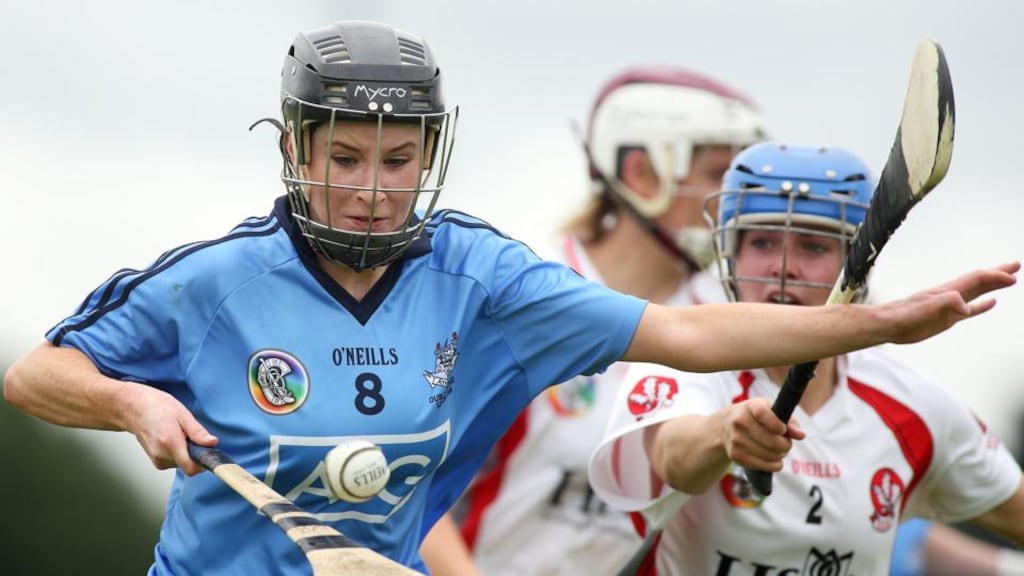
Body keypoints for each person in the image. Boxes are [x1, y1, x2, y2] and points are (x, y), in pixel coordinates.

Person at [1, 20, 1017, 575]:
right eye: (344, 156)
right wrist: (130, 401)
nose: (370, 186)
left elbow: (685, 331)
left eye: (399, 159)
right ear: (297, 149)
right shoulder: (214, 281)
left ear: (431, 158)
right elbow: (36, 371)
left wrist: (888, 320)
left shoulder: (481, 277)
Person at [587, 142, 1024, 576]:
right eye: (761, 241)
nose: (782, 267)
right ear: (731, 256)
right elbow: (673, 458)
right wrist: (723, 433)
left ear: (857, 264)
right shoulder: (685, 365)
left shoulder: (916, 408)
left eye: (813, 247)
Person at [421, 66, 769, 576]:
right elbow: (410, 486)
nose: (737, 199)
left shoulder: (729, 322)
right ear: (642, 172)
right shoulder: (520, 301)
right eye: (720, 174)